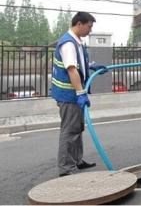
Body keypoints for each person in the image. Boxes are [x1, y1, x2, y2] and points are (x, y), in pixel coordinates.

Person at [51, 11, 106, 177]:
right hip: (68, 95)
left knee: (77, 128)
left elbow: (79, 63)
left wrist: (91, 66)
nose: (90, 30)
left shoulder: (78, 42)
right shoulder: (68, 44)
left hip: (73, 94)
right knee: (69, 130)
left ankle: (76, 160)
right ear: (79, 24)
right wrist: (81, 93)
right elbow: (72, 69)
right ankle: (66, 168)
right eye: (89, 27)